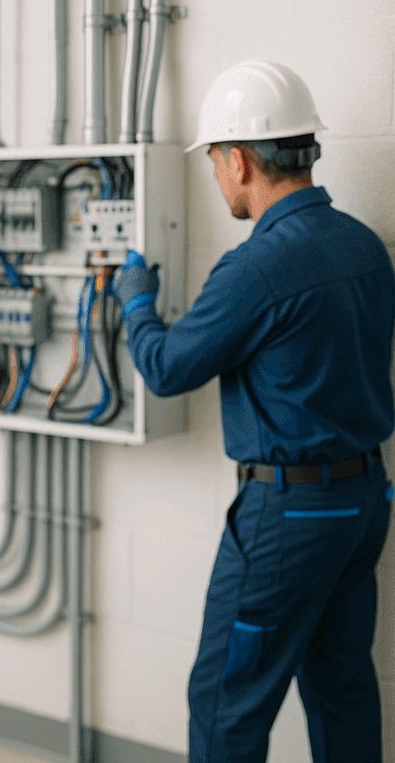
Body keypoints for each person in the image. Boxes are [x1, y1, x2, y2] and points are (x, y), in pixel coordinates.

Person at [112, 59, 393, 763]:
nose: (213, 177)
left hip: (289, 520)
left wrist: (135, 299)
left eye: (212, 160)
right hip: (363, 501)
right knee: (344, 688)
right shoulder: (364, 246)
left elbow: (167, 368)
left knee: (225, 703)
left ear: (239, 160)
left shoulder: (257, 268)